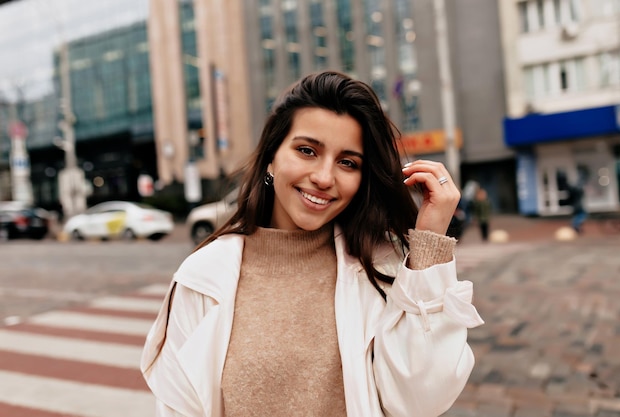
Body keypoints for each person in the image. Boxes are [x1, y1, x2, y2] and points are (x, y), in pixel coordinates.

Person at [141, 71, 484, 417]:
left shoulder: (378, 267)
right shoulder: (202, 276)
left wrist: (430, 242)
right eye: (307, 151)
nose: (323, 177)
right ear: (272, 157)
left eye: (347, 163)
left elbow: (422, 400)